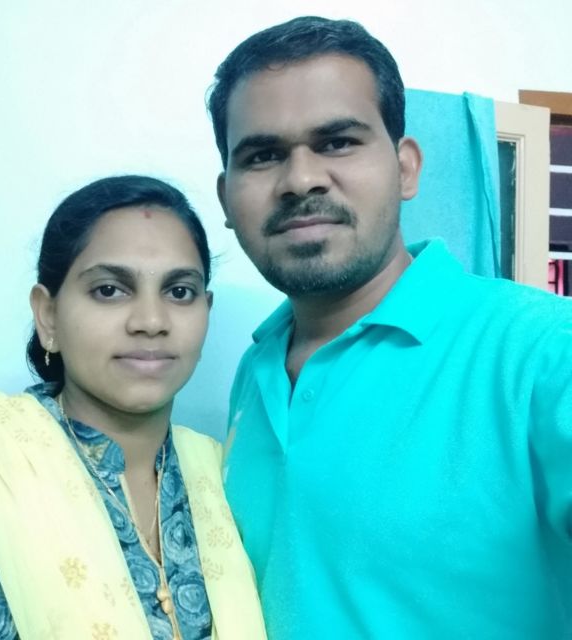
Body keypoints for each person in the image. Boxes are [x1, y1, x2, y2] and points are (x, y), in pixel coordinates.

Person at [208, 15, 572, 639]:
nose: (301, 180)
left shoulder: (541, 350)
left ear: (406, 168)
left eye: (337, 142)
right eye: (263, 155)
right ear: (225, 198)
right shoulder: (257, 368)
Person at [0, 175, 266, 640]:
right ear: (48, 315)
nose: (151, 321)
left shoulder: (224, 476)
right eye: (110, 289)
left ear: (205, 310)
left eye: (179, 292)